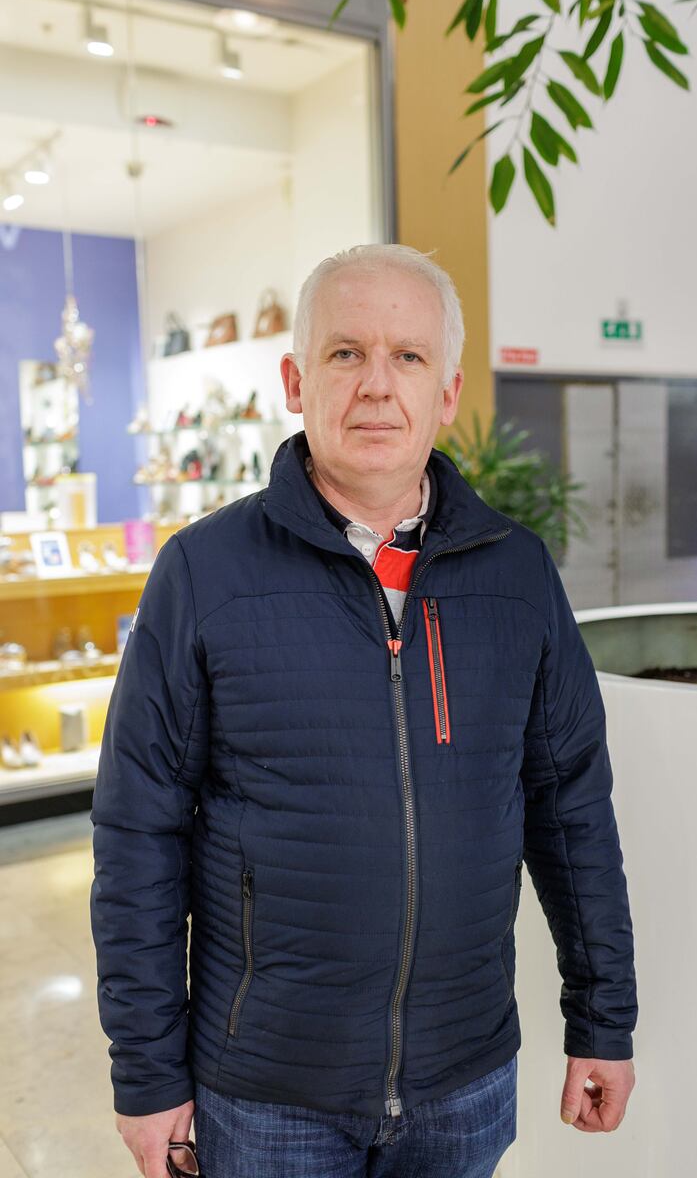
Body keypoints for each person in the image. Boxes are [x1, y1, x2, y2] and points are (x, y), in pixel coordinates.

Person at [90, 243, 638, 1178]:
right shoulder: (205, 573)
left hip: (462, 1086)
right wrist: (147, 1075)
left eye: (408, 357)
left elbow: (571, 810)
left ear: (449, 392)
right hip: (266, 1096)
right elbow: (138, 832)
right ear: (297, 380)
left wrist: (602, 1020)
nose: (377, 387)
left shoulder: (516, 578)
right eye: (347, 354)